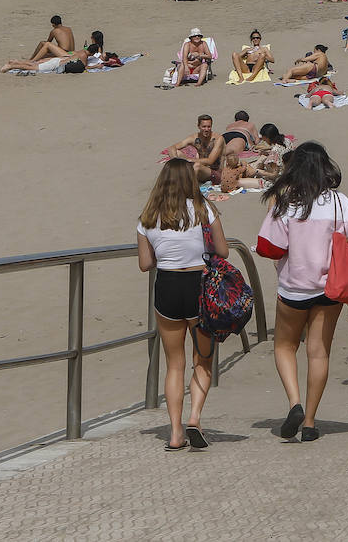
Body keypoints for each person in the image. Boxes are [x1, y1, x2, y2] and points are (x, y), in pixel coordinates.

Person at [255, 142, 348, 442]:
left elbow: (269, 247)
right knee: (318, 352)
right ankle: (309, 422)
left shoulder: (287, 201)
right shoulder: (341, 202)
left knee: (284, 346)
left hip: (294, 287)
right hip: (331, 288)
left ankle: (294, 403)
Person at [137, 159, 228, 450]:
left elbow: (145, 264)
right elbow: (223, 251)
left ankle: (175, 433)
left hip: (167, 287)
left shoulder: (148, 217)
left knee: (174, 364)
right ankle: (194, 418)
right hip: (199, 287)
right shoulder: (204, 209)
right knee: (202, 360)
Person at [168, 114, 224, 184]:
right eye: (204, 127)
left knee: (197, 166)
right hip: (198, 168)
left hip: (214, 173)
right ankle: (179, 178)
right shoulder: (194, 138)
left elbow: (210, 161)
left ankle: (187, 188)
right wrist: (175, 162)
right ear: (198, 126)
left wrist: (189, 160)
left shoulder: (218, 139)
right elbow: (171, 148)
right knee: (178, 153)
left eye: (209, 127)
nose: (206, 129)